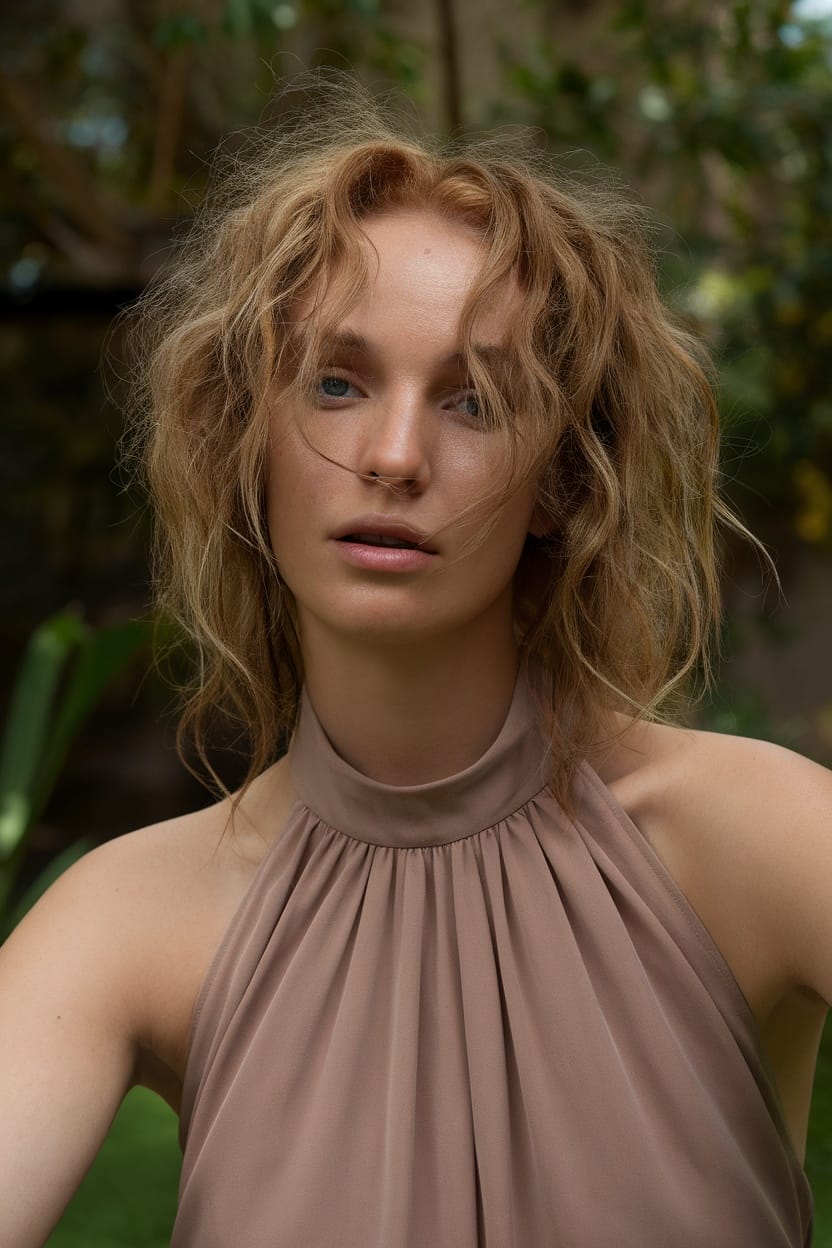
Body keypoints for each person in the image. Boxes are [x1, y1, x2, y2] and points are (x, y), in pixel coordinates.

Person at [1, 81, 829, 1248]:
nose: (392, 455)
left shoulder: (757, 837)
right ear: (250, 448)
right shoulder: (128, 921)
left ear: (561, 484)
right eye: (335, 385)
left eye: (475, 401)